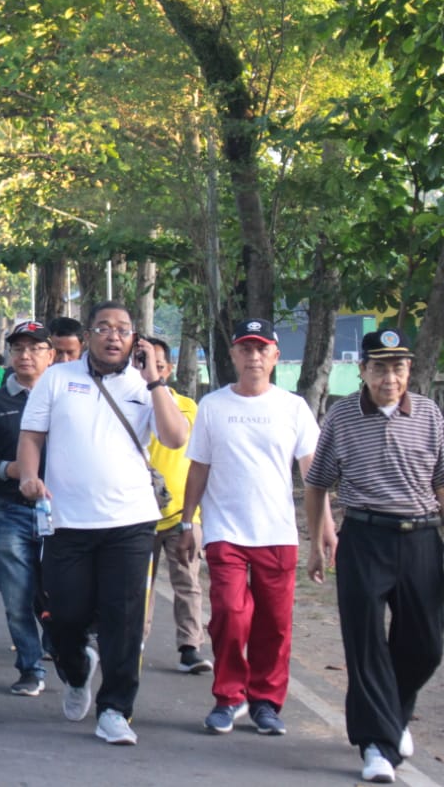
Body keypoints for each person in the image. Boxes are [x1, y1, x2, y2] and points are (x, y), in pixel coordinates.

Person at [17, 300, 188, 745]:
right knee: (65, 616)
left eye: (123, 329)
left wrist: (156, 381)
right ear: (88, 335)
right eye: (104, 327)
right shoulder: (57, 378)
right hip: (67, 521)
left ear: (136, 339)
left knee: (124, 618)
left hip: (131, 523)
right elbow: (32, 436)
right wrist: (31, 477)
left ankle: (116, 709)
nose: (114, 335)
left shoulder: (146, 385)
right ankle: (76, 673)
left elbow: (175, 437)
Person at [303, 328, 444, 784]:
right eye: (379, 367)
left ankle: (392, 717)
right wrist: (317, 540)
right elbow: (317, 482)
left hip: (422, 537)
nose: (390, 377)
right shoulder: (341, 418)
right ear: (362, 370)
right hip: (364, 537)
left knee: (425, 646)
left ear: (409, 371)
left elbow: (441, 480)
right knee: (365, 644)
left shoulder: (429, 414)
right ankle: (377, 746)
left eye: (398, 367)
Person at [179, 318, 319, 737]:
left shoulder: (293, 407)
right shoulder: (213, 406)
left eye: (262, 349)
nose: (254, 356)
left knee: (273, 625)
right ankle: (228, 696)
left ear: (275, 356)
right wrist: (189, 521)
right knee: (230, 615)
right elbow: (198, 468)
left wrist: (323, 529)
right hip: (226, 531)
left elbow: (313, 474)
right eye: (246, 348)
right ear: (234, 355)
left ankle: (265, 702)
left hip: (277, 532)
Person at [0, 321, 54, 696]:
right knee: (16, 592)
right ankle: (30, 666)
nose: (26, 356)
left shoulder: (66, 399)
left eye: (35, 348)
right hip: (11, 511)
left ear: (51, 355)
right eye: (19, 348)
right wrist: (9, 470)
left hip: (62, 513)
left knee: (61, 593)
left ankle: (64, 650)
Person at [141, 337, 213, 675]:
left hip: (182, 512)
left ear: (167, 369)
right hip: (139, 513)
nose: (149, 368)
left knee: (187, 580)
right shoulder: (129, 403)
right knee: (140, 584)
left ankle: (189, 647)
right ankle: (134, 640)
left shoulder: (188, 407)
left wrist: (196, 514)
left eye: (157, 363)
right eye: (142, 361)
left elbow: (200, 459)